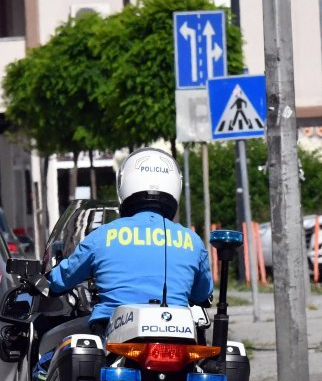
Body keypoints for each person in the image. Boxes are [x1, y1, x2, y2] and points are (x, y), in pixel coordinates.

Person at [41, 147, 214, 344]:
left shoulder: (103, 236)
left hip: (113, 337)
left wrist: (44, 283)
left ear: (124, 185)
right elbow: (203, 294)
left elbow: (61, 279)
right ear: (176, 186)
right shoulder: (191, 240)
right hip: (178, 335)